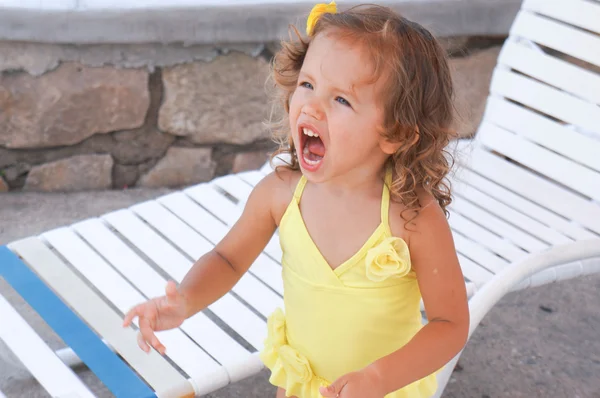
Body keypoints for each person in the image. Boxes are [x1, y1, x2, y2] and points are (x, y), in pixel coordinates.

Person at [122, 1, 470, 397]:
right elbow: (228, 259)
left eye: (341, 100)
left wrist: (378, 379)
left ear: (396, 133)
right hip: (301, 387)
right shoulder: (282, 194)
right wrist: (184, 300)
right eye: (308, 84)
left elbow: (450, 324)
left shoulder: (412, 219)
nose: (312, 105)